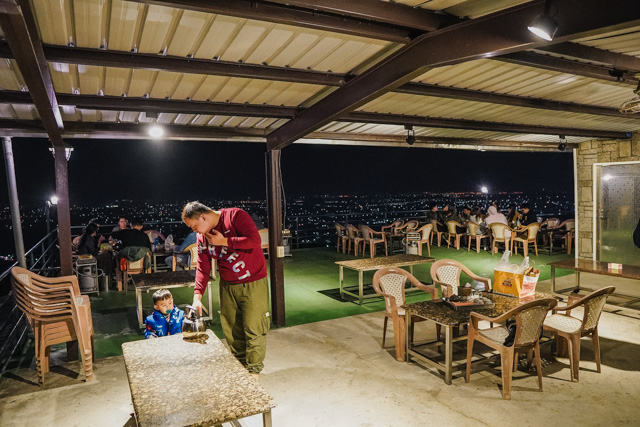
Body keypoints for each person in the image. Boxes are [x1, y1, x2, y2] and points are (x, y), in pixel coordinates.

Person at [182, 201, 269, 378]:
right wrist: (197, 296)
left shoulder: (235, 216)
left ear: (203, 217)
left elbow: (255, 241)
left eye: (194, 226)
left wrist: (224, 241)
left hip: (253, 282)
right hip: (228, 285)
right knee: (232, 328)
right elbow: (202, 267)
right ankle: (240, 365)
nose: (194, 231)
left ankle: (253, 372)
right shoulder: (202, 238)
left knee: (254, 328)